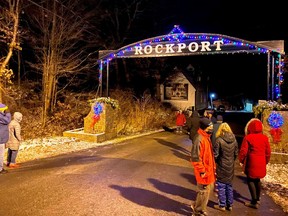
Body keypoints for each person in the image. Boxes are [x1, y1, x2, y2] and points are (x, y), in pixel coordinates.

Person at [239, 118, 271, 209]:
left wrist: (241, 160)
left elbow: (243, 151)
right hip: (261, 161)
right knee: (257, 180)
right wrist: (266, 161)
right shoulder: (264, 138)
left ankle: (254, 201)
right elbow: (268, 151)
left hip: (251, 161)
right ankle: (258, 198)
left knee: (250, 180)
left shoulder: (248, 137)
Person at [190, 118, 216, 216]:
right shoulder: (199, 139)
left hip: (209, 170)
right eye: (210, 127)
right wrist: (202, 171)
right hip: (203, 171)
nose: (212, 128)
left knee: (207, 191)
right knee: (203, 191)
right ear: (205, 128)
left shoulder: (206, 137)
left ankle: (200, 207)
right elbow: (195, 158)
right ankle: (198, 212)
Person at [213, 122, 238, 212]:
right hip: (230, 165)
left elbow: (216, 155)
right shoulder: (234, 140)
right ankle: (230, 204)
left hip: (221, 165)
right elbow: (236, 153)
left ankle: (222, 205)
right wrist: (231, 161)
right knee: (229, 185)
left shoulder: (219, 140)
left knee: (221, 185)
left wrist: (216, 162)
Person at [0, 103, 11, 174]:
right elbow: (7, 120)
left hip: (1, 138)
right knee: (1, 154)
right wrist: (8, 113)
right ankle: (0, 168)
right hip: (1, 138)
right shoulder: (2, 118)